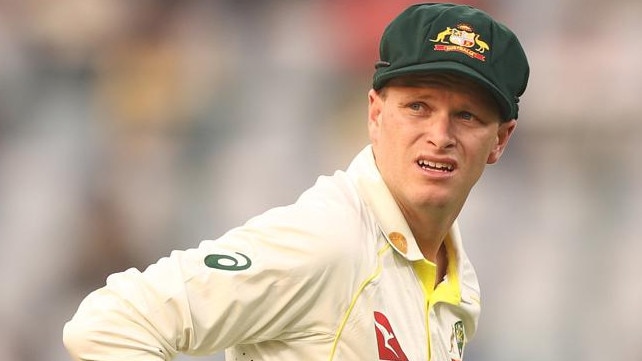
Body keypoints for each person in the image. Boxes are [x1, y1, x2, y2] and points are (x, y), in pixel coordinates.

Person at [63, 3, 529, 361]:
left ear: (500, 141)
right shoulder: (329, 240)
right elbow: (110, 323)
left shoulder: (459, 283)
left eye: (466, 116)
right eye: (418, 107)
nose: (440, 135)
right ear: (375, 113)